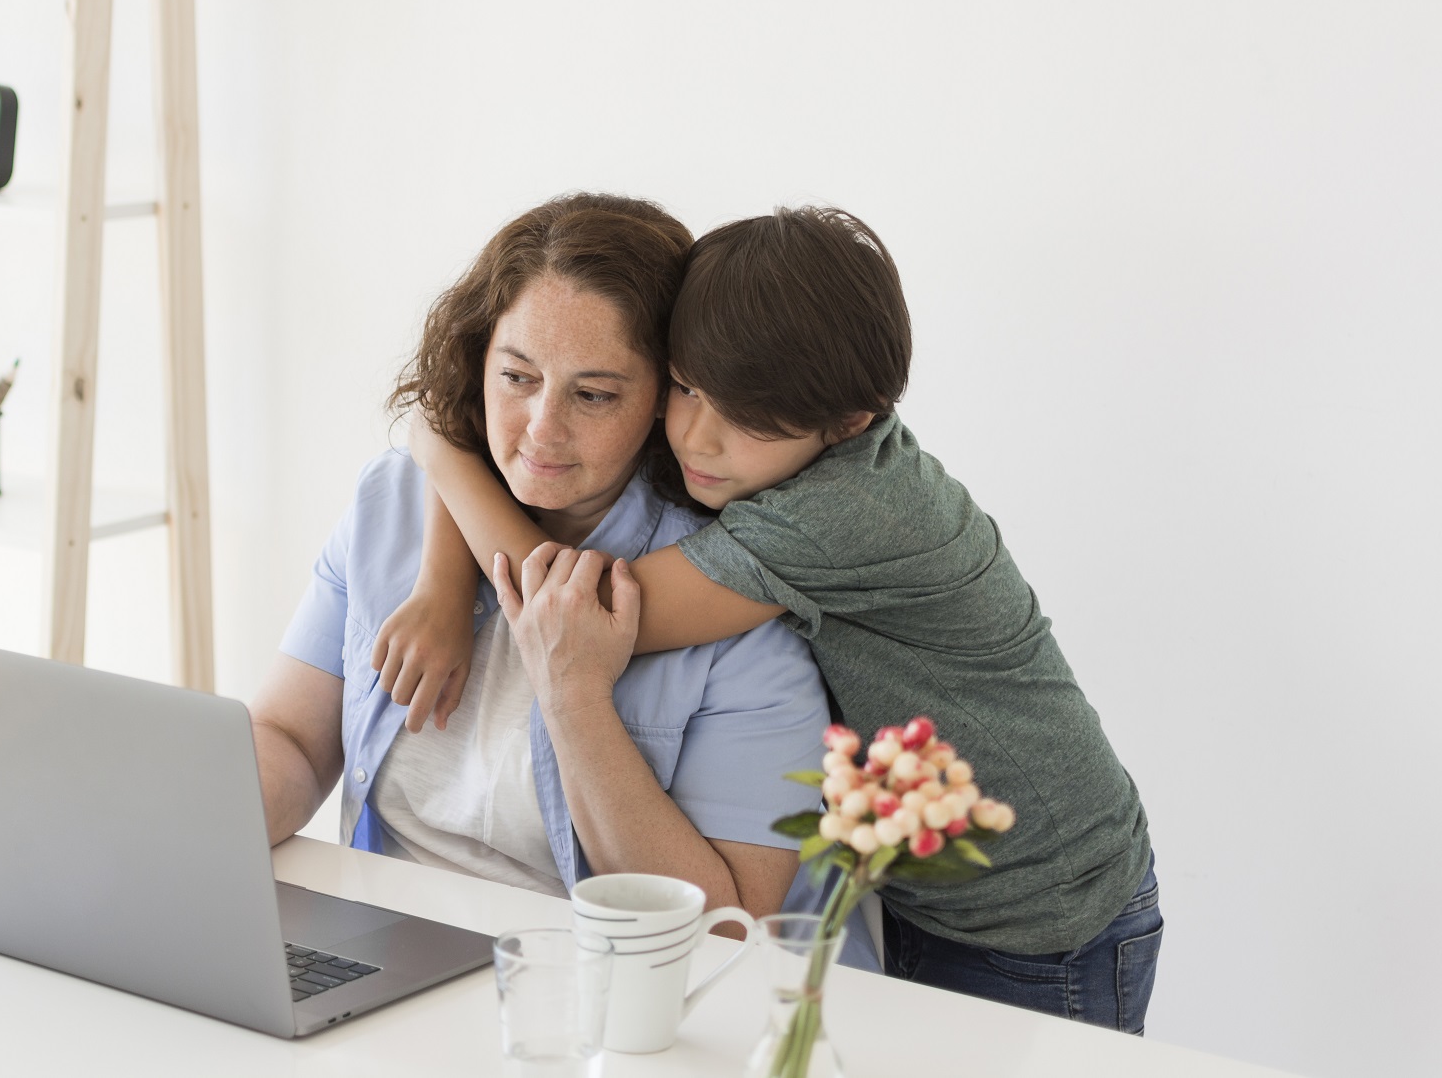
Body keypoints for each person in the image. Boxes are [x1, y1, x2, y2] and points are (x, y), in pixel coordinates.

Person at [398, 207, 1161, 1033]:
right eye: (687, 386)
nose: (699, 436)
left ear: (850, 422)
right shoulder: (785, 451)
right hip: (915, 891)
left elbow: (578, 610)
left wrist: (442, 445)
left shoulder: (842, 511)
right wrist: (442, 578)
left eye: (751, 419)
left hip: (1042, 912)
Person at [247, 193, 853, 938]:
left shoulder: (735, 597)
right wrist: (197, 809)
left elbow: (731, 933)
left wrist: (574, 696)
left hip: (597, 1000)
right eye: (517, 377)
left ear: (669, 397)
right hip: (387, 957)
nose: (542, 429)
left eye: (594, 394)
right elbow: (292, 740)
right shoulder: (392, 509)